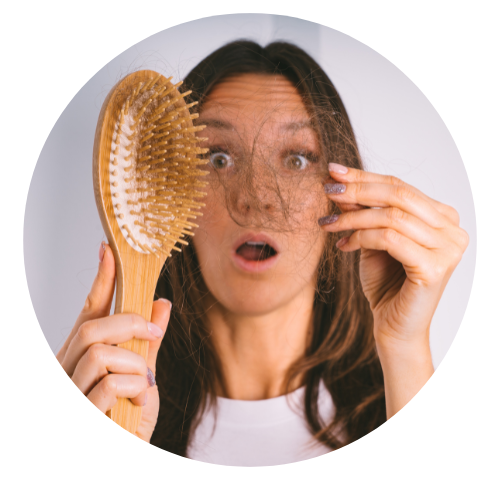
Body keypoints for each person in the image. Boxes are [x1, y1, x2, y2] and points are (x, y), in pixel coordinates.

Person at [56, 41, 468, 465]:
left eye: (296, 160)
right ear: (169, 191)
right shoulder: (121, 409)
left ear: (340, 198)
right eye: (218, 158)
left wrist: (405, 349)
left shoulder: (399, 392)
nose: (256, 198)